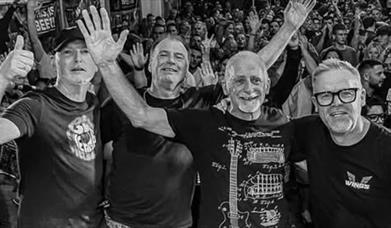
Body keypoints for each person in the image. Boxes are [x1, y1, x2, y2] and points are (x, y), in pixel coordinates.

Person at [77, 1, 315, 227]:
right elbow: (92, 158)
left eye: (179, 56)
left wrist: (288, 28)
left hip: (178, 223)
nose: (171, 61)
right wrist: (106, 63)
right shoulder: (123, 101)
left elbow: (250, 69)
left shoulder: (199, 103)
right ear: (149, 64)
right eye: (163, 55)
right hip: (123, 222)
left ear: (186, 69)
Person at [0, 28, 105, 227]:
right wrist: (3, 77)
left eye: (85, 51)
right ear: (54, 62)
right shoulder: (35, 105)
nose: (77, 59)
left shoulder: (94, 104)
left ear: (96, 63)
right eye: (67, 52)